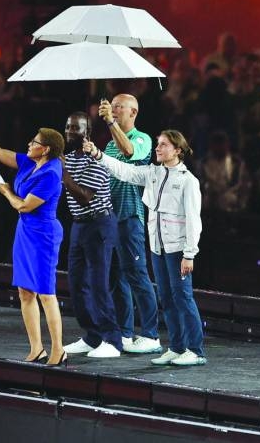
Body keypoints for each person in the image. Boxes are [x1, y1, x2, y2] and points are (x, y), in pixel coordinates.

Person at [83, 129, 207, 367]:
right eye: (158, 144)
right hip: (157, 248)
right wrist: (99, 154)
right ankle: (177, 347)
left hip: (178, 249)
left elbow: (194, 220)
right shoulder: (153, 173)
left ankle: (195, 350)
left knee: (183, 297)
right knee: (167, 298)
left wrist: (189, 254)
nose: (158, 148)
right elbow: (125, 171)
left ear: (177, 150)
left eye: (163, 145)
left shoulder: (188, 181)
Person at [0, 117, 66, 366]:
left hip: (43, 234)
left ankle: (58, 349)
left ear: (46, 149)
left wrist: (7, 191)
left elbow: (24, 206)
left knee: (46, 293)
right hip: (25, 233)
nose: (29, 144)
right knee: (25, 291)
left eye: (34, 142)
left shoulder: (51, 173)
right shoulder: (31, 162)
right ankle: (36, 347)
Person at [97, 94, 162, 354]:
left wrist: (111, 123)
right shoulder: (109, 145)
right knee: (116, 278)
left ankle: (150, 334)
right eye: (111, 106)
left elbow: (130, 152)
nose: (113, 110)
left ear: (133, 112)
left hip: (130, 217)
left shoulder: (142, 138)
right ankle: (124, 333)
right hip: (109, 218)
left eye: (119, 107)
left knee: (137, 276)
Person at [61, 112, 123, 359]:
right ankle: (92, 335)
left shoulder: (97, 159)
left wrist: (63, 173)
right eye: (67, 126)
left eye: (74, 128)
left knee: (99, 284)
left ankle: (112, 339)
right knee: (77, 284)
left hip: (99, 224)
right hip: (79, 225)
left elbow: (85, 196)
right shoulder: (68, 158)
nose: (68, 132)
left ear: (86, 132)